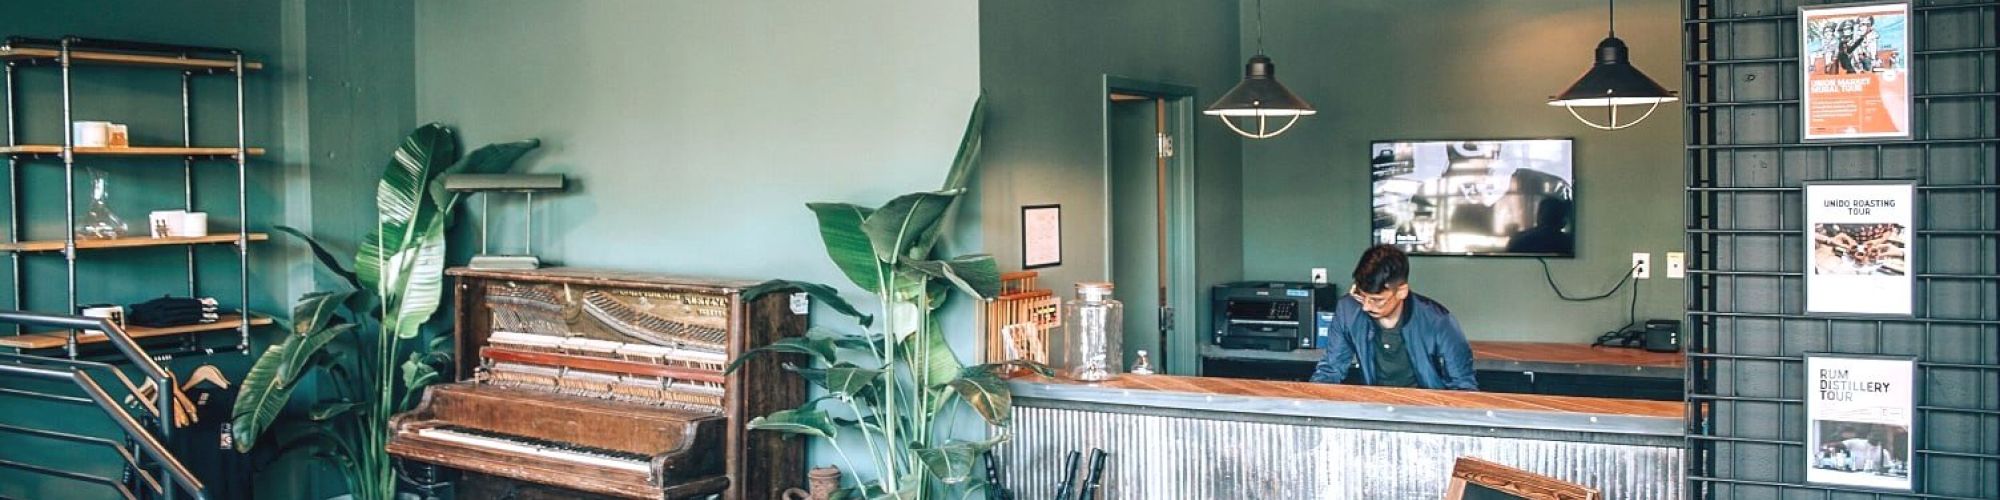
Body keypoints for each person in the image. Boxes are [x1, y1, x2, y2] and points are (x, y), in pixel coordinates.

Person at [1309, 245, 1479, 390]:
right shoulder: (1347, 309)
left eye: (1377, 300)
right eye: (1361, 296)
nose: (1366, 306)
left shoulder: (1439, 321)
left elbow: (1463, 386)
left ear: (1402, 291)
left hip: (1426, 411)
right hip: (1375, 407)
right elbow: (1330, 370)